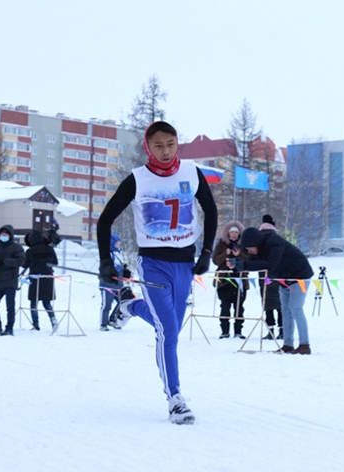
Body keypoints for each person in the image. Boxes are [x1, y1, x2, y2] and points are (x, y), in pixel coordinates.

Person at [96, 120, 218, 425]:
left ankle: (130, 305)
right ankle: (175, 399)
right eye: (158, 145)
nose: (165, 151)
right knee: (167, 333)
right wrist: (105, 263)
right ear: (147, 147)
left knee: (172, 329)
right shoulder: (137, 179)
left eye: (171, 144)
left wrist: (205, 252)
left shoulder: (192, 172)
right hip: (153, 264)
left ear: (178, 143)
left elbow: (211, 210)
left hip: (185, 263)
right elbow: (105, 220)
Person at [238, 226, 314, 354]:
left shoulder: (274, 242)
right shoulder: (259, 249)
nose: (249, 252)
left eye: (249, 249)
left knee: (296, 308)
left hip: (300, 276)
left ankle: (304, 345)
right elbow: (254, 262)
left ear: (255, 243)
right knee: (285, 310)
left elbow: (270, 265)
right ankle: (288, 344)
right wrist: (238, 264)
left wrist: (245, 265)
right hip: (284, 278)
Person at [0, 225, 25, 336]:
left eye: (5, 235)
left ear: (10, 236)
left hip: (10, 281)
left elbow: (21, 261)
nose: (3, 236)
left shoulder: (17, 248)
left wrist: (6, 261)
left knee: (10, 307)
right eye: (2, 235)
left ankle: (9, 328)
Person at [212, 220, 249, 339]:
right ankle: (225, 331)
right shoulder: (221, 245)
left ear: (239, 234)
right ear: (227, 233)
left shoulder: (244, 246)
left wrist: (239, 256)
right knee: (225, 307)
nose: (233, 234)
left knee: (239, 307)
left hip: (239, 281)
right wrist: (225, 254)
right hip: (224, 281)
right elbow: (215, 261)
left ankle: (238, 331)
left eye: (236, 232)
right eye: (231, 232)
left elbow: (249, 261)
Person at [23, 230, 57, 332]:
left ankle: (35, 324)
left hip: (34, 279)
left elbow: (24, 264)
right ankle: (53, 321)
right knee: (47, 303)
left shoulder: (30, 251)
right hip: (48, 278)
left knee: (34, 303)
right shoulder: (50, 249)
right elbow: (55, 263)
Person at [258, 214, 283, 340]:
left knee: (267, 303)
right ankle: (282, 330)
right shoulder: (278, 238)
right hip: (278, 274)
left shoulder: (259, 239)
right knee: (280, 304)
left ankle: (270, 331)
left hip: (264, 275)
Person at [99, 233, 130, 331]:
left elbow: (123, 265)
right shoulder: (107, 255)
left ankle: (112, 320)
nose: (119, 244)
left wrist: (126, 272)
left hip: (118, 285)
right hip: (107, 284)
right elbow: (104, 267)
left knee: (122, 302)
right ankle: (103, 324)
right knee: (106, 305)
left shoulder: (119, 254)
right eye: (117, 242)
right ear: (112, 243)